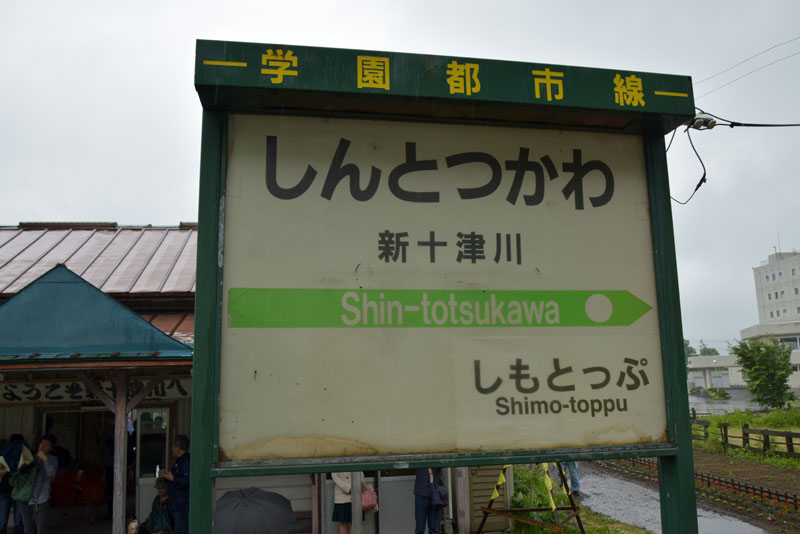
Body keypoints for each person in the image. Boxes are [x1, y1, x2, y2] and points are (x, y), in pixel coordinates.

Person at [18, 435, 58, 534]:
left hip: (42, 499)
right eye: (42, 443)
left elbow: (51, 473)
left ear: (51, 448)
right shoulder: (29, 456)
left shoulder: (53, 459)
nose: (43, 446)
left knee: (41, 529)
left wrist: (45, 460)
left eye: (47, 445)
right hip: (26, 498)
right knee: (27, 529)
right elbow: (20, 474)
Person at [158, 435, 189, 534]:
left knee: (182, 529)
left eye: (173, 446)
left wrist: (173, 478)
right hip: (175, 502)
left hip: (182, 503)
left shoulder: (187, 461)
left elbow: (188, 480)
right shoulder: (179, 461)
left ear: (177, 447)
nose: (172, 449)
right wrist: (166, 476)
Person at [0, 435, 27, 534]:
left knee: (2, 522)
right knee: (18, 522)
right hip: (19, 490)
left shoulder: (4, 453)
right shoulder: (26, 454)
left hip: (5, 490)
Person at [414, 468, 445, 534]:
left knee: (434, 528)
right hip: (421, 493)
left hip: (435, 494)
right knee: (420, 528)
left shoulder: (437, 458)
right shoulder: (419, 458)